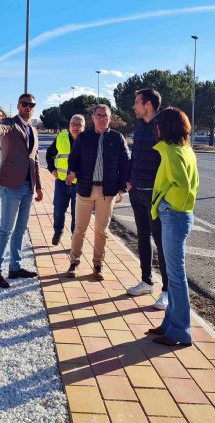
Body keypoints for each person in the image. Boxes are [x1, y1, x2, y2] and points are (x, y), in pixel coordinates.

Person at [146, 107, 199, 347]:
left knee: (176, 276)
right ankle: (170, 324)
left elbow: (185, 187)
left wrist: (165, 204)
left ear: (164, 127)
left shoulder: (172, 152)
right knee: (173, 272)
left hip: (174, 216)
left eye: (158, 125)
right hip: (179, 216)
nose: (155, 129)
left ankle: (180, 331)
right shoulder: (184, 149)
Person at [66, 104, 130, 280]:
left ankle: (97, 265)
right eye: (99, 115)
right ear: (92, 118)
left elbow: (125, 163)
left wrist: (121, 187)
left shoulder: (117, 138)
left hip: (107, 192)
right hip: (85, 190)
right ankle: (74, 262)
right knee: (80, 229)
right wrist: (72, 171)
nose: (102, 118)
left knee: (102, 230)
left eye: (106, 116)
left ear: (110, 118)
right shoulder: (84, 137)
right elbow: (73, 158)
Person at [0, 93, 43, 288]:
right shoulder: (10, 123)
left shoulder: (33, 130)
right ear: (19, 105)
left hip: (29, 186)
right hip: (11, 185)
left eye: (32, 105)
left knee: (21, 228)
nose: (28, 107)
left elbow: (35, 159)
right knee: (6, 229)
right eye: (25, 104)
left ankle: (15, 267)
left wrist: (39, 187)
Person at [126, 89, 168, 310]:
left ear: (148, 104)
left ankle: (167, 291)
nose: (134, 106)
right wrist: (130, 180)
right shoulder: (140, 127)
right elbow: (135, 157)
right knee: (142, 237)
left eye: (137, 102)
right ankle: (146, 281)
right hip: (137, 192)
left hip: (155, 194)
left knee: (161, 242)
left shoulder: (163, 126)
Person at [46, 115, 86, 248]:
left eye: (79, 124)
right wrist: (52, 169)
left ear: (84, 127)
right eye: (72, 124)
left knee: (77, 216)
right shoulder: (61, 137)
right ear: (69, 125)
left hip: (80, 185)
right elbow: (49, 154)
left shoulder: (89, 141)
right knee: (58, 210)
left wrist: (77, 174)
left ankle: (75, 241)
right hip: (62, 183)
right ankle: (58, 233)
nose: (75, 127)